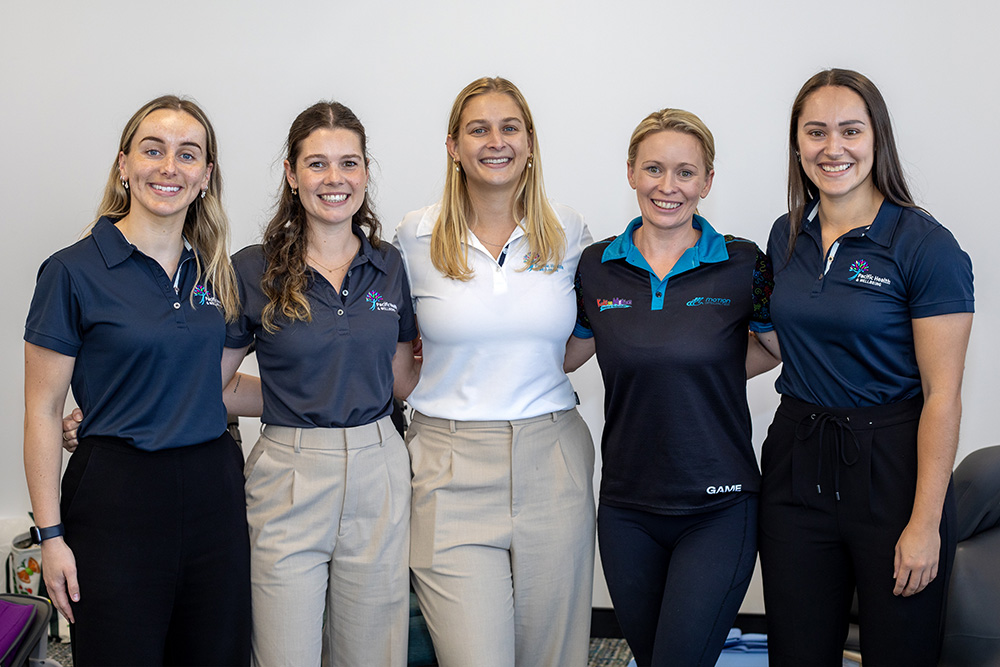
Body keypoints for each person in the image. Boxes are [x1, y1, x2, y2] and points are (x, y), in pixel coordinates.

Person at [23, 95, 251, 665]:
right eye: (153, 150)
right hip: (116, 499)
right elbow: (44, 411)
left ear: (206, 175)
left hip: (213, 493)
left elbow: (211, 387)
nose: (168, 167)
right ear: (124, 164)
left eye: (187, 154)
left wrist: (327, 395)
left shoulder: (215, 271)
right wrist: (51, 537)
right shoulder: (71, 271)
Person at [757, 69, 974, 666]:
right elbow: (784, 344)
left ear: (877, 138)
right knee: (797, 652)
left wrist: (924, 523)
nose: (833, 148)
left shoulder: (926, 247)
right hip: (797, 461)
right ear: (797, 144)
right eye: (816, 132)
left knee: (899, 653)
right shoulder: (786, 235)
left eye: (850, 131)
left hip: (893, 470)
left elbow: (943, 396)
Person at [393, 76, 596, 667]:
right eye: (477, 129)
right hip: (448, 466)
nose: (495, 141)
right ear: (453, 145)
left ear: (530, 142)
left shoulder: (567, 229)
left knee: (553, 657)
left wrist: (530, 370)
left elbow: (582, 335)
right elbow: (394, 347)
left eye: (510, 127)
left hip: (552, 457)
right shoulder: (414, 235)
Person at [565, 109, 779, 666]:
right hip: (625, 510)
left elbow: (783, 349)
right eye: (654, 169)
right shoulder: (597, 266)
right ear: (632, 172)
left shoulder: (742, 263)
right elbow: (566, 352)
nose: (668, 186)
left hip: (718, 507)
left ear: (707, 182)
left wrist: (701, 369)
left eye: (686, 172)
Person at [223, 101, 419, 667]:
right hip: (287, 470)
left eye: (349, 163)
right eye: (317, 164)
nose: (335, 179)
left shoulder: (390, 265)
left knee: (372, 653)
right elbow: (211, 384)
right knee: (285, 652)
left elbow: (401, 380)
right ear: (291, 173)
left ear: (364, 172)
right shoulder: (252, 268)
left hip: (379, 466)